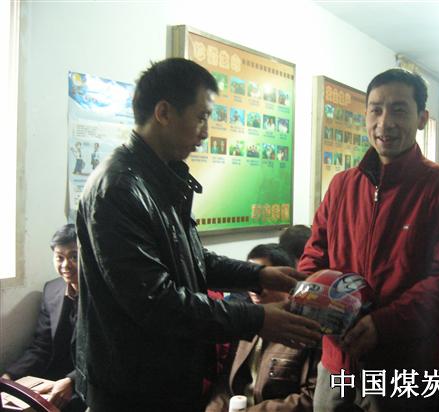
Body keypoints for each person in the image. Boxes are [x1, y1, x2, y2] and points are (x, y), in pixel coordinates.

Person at [75, 58, 321, 412]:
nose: (205, 132)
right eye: (202, 117)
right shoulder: (119, 189)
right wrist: (258, 319)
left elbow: (191, 260)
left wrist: (258, 275)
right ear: (163, 112)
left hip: (165, 379)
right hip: (135, 389)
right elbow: (157, 302)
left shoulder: (160, 179)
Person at [299, 68, 439, 411]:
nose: (385, 123)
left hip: (404, 367)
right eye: (376, 110)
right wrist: (316, 304)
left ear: (421, 118)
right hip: (336, 363)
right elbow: (313, 256)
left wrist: (383, 324)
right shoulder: (342, 185)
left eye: (399, 110)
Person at [206, 244, 320, 411]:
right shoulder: (245, 320)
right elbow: (224, 383)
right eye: (250, 281)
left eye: (263, 281)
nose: (255, 290)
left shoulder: (305, 328)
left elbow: (312, 398)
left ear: (284, 279)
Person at [1, 224, 86, 412]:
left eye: (74, 256)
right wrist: (9, 376)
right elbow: (41, 346)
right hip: (52, 378)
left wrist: (72, 380)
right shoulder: (51, 290)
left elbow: (103, 353)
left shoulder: (102, 296)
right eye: (59, 257)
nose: (65, 265)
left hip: (88, 383)